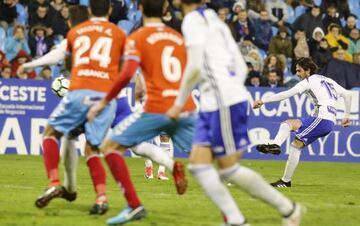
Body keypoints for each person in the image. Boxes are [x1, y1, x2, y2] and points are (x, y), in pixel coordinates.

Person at [166, 1, 304, 226]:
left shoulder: (192, 20)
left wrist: (179, 102)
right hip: (219, 100)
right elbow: (240, 65)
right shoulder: (214, 19)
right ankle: (239, 219)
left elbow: (195, 66)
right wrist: (231, 89)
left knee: (228, 169)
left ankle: (287, 209)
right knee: (198, 165)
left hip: (222, 101)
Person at [87, 0, 196, 224]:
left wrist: (105, 100)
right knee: (208, 161)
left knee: (109, 147)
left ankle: (134, 206)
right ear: (165, 10)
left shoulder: (137, 37)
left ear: (140, 9)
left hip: (155, 106)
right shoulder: (178, 38)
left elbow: (127, 74)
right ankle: (239, 216)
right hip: (185, 107)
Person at [33, 0, 127, 216]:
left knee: (51, 132)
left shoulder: (77, 32)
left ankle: (54, 181)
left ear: (90, 10)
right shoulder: (119, 33)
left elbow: (67, 62)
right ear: (110, 10)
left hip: (80, 91)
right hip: (106, 96)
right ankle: (101, 198)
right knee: (92, 150)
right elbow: (123, 67)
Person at [254, 57, 352, 188]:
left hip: (321, 119)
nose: (297, 74)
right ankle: (283, 173)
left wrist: (263, 101)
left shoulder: (308, 81)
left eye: (299, 71)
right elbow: (348, 95)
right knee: (289, 129)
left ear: (308, 70)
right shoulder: (328, 80)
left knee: (293, 140)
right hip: (323, 119)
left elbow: (287, 94)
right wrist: (346, 115)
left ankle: (277, 153)